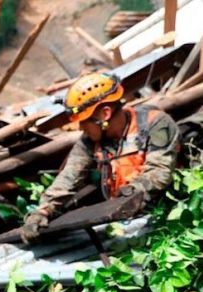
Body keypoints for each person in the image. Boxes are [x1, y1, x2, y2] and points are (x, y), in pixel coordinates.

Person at [21, 73, 180, 244]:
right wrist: (43, 211)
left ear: (105, 114)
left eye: (84, 121)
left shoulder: (155, 123)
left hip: (167, 215)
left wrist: (131, 192)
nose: (81, 127)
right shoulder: (90, 141)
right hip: (122, 218)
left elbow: (159, 172)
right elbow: (69, 178)